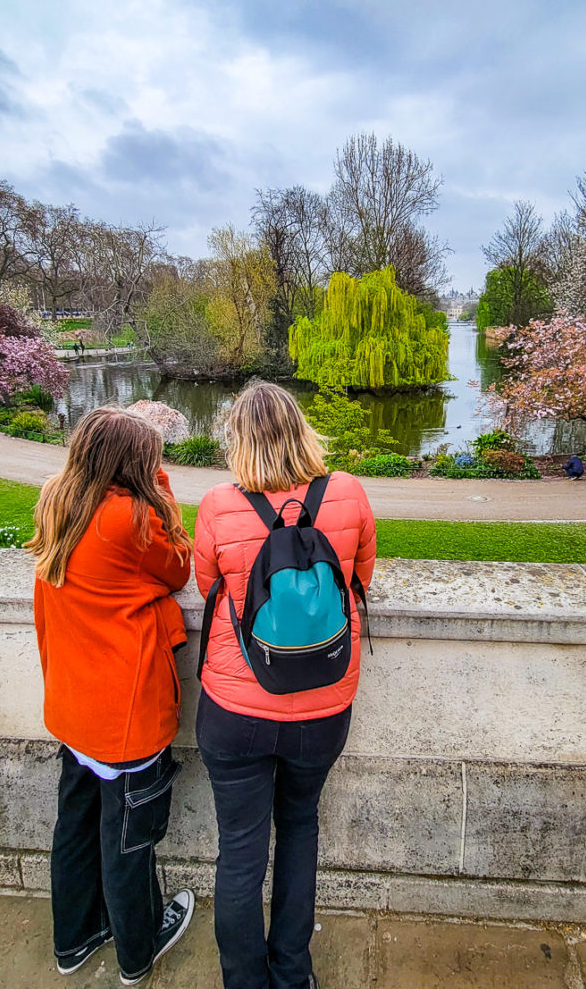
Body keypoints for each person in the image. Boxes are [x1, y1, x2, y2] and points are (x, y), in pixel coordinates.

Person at [194, 382, 376, 989]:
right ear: (303, 430)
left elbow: (205, 584)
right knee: (300, 828)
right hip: (323, 706)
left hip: (235, 707)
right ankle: (293, 973)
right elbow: (361, 576)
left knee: (240, 849)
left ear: (238, 439)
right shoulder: (347, 492)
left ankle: (245, 981)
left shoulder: (220, 504)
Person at [26, 406, 195, 986]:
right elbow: (177, 568)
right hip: (125, 716)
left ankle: (73, 942)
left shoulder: (57, 498)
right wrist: (160, 487)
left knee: (73, 829)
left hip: (75, 708)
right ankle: (137, 952)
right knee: (129, 842)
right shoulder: (129, 517)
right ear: (133, 465)